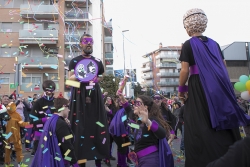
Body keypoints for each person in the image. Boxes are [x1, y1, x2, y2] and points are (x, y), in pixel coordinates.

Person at [179, 8, 250, 167]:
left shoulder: (188, 45)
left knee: (198, 122)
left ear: (188, 26)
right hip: (218, 84)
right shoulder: (215, 44)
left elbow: (185, 70)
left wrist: (181, 91)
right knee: (223, 119)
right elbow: (223, 67)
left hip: (198, 84)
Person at [68, 33, 110, 167]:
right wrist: (81, 76)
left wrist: (95, 79)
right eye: (86, 41)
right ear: (81, 44)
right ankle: (81, 162)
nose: (89, 43)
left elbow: (101, 77)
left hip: (94, 95)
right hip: (79, 95)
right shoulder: (74, 61)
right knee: (79, 128)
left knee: (98, 126)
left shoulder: (97, 60)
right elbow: (69, 81)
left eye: (91, 41)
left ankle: (99, 161)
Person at [118, 94, 174, 167]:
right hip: (140, 160)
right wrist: (122, 98)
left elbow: (162, 134)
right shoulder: (139, 120)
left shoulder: (152, 119)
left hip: (150, 160)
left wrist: (148, 121)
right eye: (134, 103)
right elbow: (129, 110)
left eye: (138, 103)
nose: (134, 105)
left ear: (145, 107)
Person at [30, 94, 79, 167]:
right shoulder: (60, 124)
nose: (69, 110)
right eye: (68, 107)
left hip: (51, 159)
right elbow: (67, 145)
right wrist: (74, 163)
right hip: (60, 161)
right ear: (63, 107)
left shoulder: (51, 119)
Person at [30, 80, 57, 156]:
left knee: (53, 156)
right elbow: (32, 120)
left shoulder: (56, 101)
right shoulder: (38, 102)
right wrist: (45, 120)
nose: (49, 92)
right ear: (44, 89)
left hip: (53, 132)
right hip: (40, 133)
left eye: (50, 90)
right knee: (39, 156)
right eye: (46, 90)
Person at [4, 102, 29, 167]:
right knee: (18, 149)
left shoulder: (6, 114)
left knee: (8, 149)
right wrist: (29, 123)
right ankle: (20, 164)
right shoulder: (16, 115)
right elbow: (21, 124)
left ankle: (7, 164)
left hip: (8, 135)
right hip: (15, 135)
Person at [103, 96, 117, 166]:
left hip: (111, 128)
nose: (109, 100)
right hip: (104, 128)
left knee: (110, 142)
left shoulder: (113, 108)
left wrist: (109, 111)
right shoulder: (102, 107)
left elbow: (115, 116)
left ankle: (109, 155)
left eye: (110, 99)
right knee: (106, 143)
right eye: (107, 99)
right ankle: (106, 159)